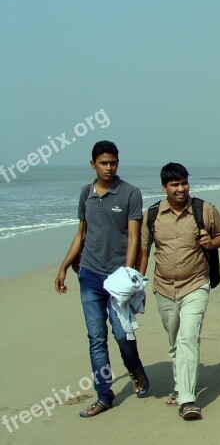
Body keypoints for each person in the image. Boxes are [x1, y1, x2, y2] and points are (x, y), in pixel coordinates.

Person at [54, 141, 149, 418]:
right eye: (104, 163)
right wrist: (63, 267)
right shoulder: (86, 194)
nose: (109, 168)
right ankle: (104, 396)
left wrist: (127, 275)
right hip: (90, 278)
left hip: (118, 279)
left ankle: (136, 369)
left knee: (122, 334)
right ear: (93, 164)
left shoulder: (130, 194)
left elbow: (134, 237)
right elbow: (80, 234)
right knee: (96, 338)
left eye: (113, 163)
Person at [139, 163, 220, 421]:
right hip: (164, 288)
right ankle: (180, 386)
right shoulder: (153, 215)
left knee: (188, 337)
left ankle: (188, 400)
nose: (181, 189)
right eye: (174, 185)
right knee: (174, 341)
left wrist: (211, 243)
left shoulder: (204, 209)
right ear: (164, 187)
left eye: (184, 183)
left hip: (196, 284)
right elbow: (144, 251)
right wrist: (137, 283)